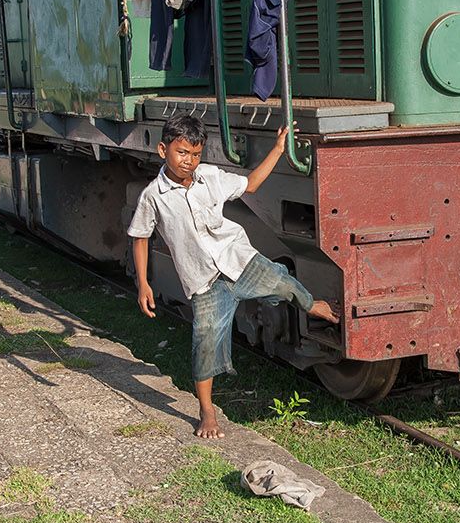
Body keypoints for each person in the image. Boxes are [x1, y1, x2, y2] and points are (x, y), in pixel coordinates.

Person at [127, 115, 336, 439]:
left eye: (196, 154)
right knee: (205, 342)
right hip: (205, 283)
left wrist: (279, 149)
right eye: (182, 153)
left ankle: (312, 305)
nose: (189, 161)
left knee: (284, 283)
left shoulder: (210, 176)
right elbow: (140, 237)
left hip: (239, 261)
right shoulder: (152, 196)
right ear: (162, 149)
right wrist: (143, 282)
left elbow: (250, 184)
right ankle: (206, 411)